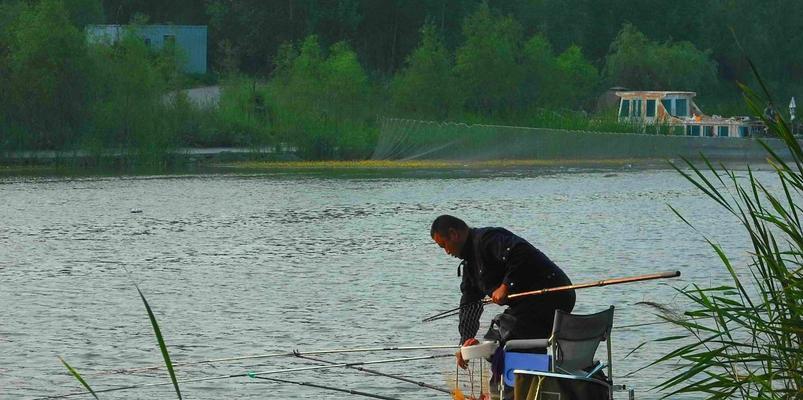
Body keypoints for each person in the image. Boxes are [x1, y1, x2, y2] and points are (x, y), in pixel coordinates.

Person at [430, 215, 576, 370]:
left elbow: (521, 252)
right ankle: (532, 380)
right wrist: (466, 341)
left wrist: (506, 285)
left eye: (444, 245)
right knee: (497, 344)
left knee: (498, 343)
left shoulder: (488, 239)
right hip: (527, 306)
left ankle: (524, 382)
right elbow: (469, 304)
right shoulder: (470, 265)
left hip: (553, 294)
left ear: (454, 234)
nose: (446, 252)